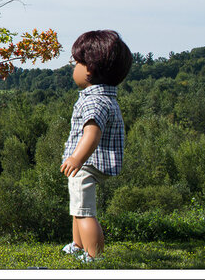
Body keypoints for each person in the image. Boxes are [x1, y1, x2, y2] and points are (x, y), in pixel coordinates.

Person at [60, 30, 132, 263]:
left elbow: (92, 133)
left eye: (77, 62)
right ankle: (78, 245)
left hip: (88, 163)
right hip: (89, 162)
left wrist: (76, 158)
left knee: (84, 212)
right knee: (77, 206)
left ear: (90, 69)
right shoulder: (107, 97)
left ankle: (94, 255)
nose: (74, 67)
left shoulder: (94, 100)